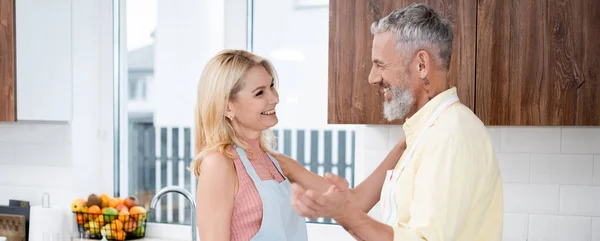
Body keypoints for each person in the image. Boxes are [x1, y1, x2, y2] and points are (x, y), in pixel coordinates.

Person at [291, 3, 504, 241]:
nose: (372, 78)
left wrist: (348, 215)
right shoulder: (426, 132)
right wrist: (343, 212)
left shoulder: (450, 133)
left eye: (380, 64)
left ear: (421, 65)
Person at [190, 49, 407, 241]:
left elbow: (356, 202)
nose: (274, 98)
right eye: (260, 93)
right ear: (228, 108)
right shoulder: (219, 163)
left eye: (272, 87)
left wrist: (404, 144)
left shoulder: (277, 163)